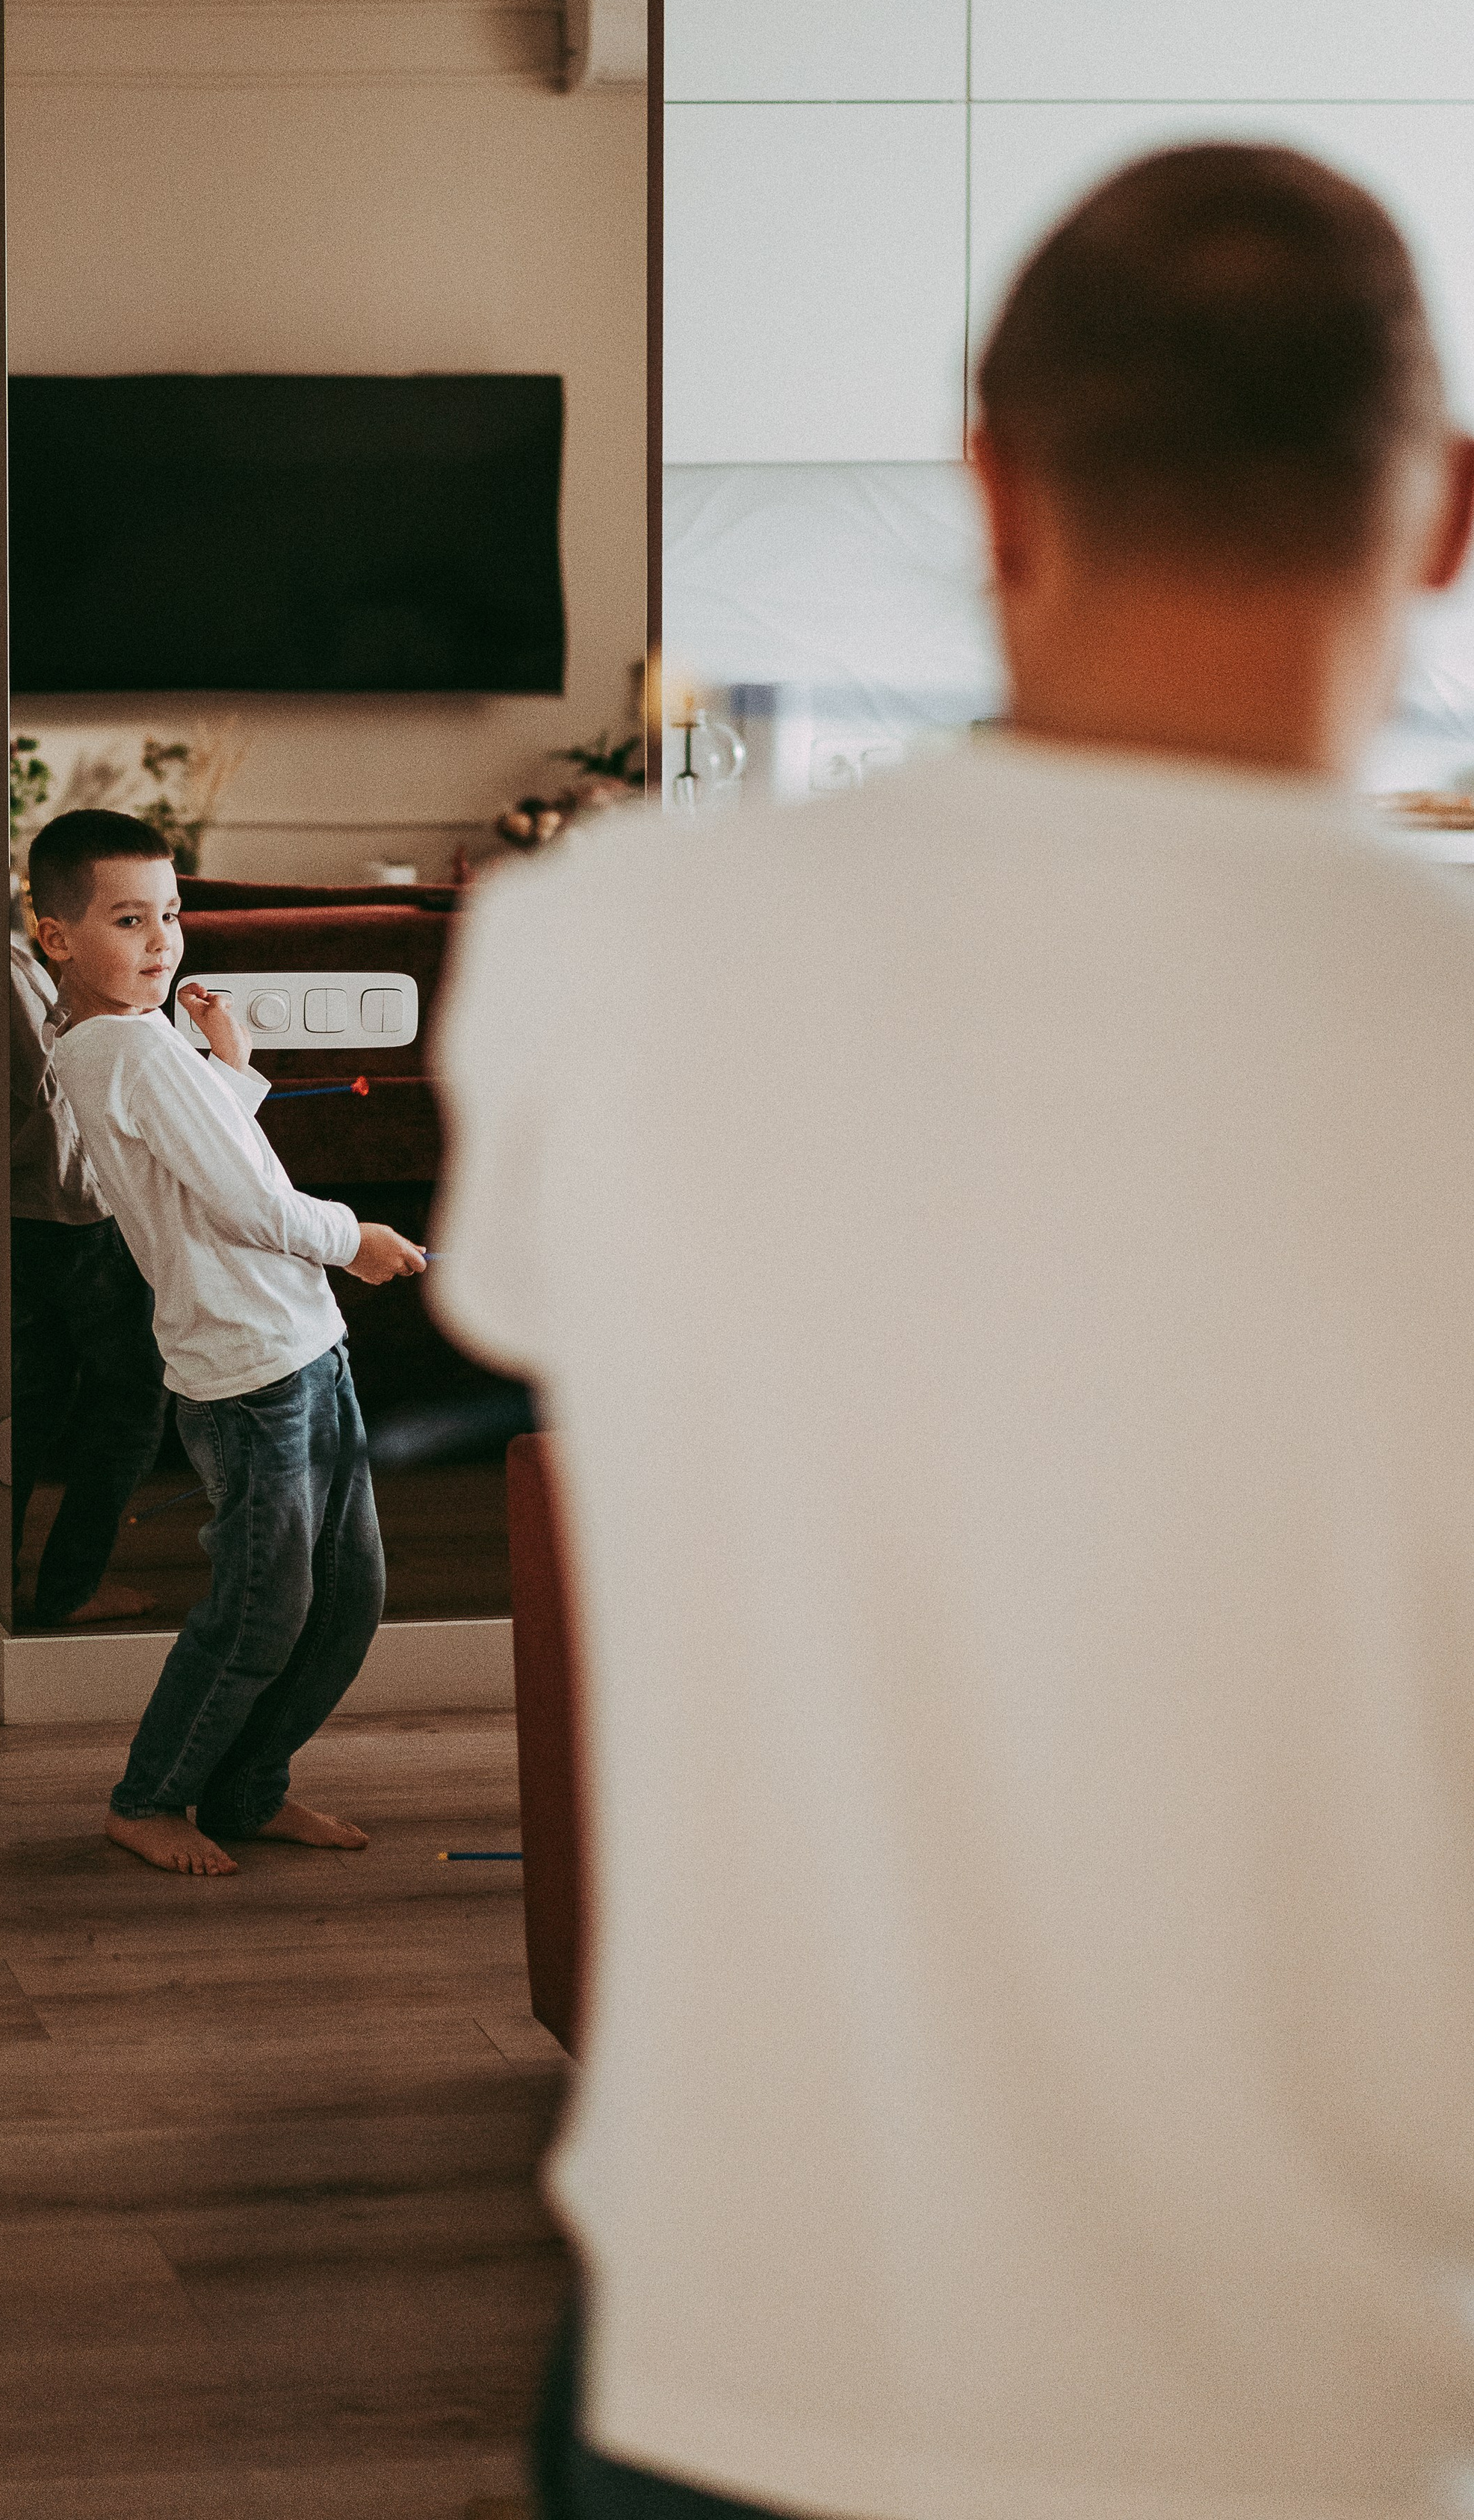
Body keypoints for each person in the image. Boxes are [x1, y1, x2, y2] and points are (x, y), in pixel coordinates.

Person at [432, 145, 1474, 2520]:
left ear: (990, 490)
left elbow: (541, 1325)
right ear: (1443, 516)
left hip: (736, 2355)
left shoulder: (610, 955)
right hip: (1342, 2409)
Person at [29, 808, 426, 1877]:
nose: (160, 941)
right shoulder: (126, 1047)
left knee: (348, 1598)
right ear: (56, 934)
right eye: (127, 919)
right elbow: (252, 1202)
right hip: (252, 1373)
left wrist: (231, 1065)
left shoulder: (127, 1041)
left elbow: (199, 1155)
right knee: (266, 1608)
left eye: (171, 914)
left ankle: (249, 1790)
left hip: (300, 1348)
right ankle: (149, 1799)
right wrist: (358, 1240)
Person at [9, 930, 162, 1626]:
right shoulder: (12, 966)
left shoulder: (12, 960)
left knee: (31, 1399)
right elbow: (49, 1107)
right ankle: (69, 1587)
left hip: (24, 1214)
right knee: (131, 1399)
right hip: (72, 1209)